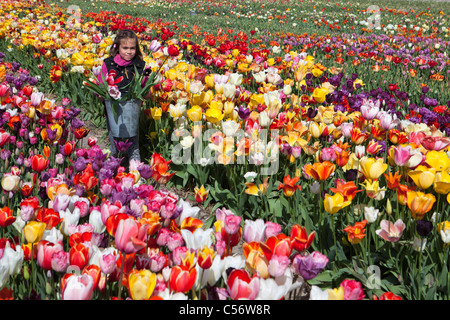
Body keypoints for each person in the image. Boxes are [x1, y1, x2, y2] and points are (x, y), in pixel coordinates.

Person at [97, 29, 146, 166]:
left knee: (133, 144)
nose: (129, 51)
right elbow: (100, 84)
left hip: (132, 112)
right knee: (115, 143)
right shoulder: (108, 64)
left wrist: (145, 92)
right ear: (117, 47)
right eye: (125, 48)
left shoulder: (140, 66)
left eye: (132, 48)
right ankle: (111, 171)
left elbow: (145, 86)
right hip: (114, 111)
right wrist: (102, 95)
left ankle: (135, 175)